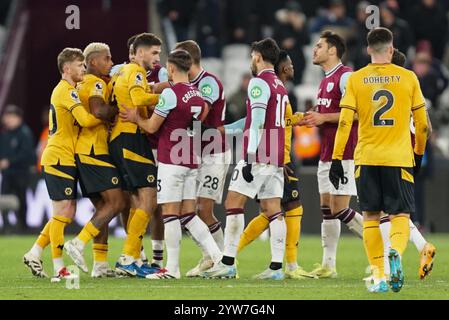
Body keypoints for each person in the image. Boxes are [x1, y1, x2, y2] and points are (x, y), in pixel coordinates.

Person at [330, 27, 428, 293]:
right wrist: (418, 154)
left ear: (367, 49)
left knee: (371, 218)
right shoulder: (409, 78)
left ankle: (379, 276)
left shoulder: (356, 79)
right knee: (400, 215)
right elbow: (422, 126)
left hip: (366, 157)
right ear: (392, 47)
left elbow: (345, 123)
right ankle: (395, 250)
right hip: (398, 157)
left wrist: (337, 158)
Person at [120, 49, 222, 279]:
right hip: (190, 159)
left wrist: (137, 118)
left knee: (169, 213)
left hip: (170, 160)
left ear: (172, 69)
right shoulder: (198, 95)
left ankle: (172, 269)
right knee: (188, 214)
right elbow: (199, 119)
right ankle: (219, 258)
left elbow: (152, 127)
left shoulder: (171, 94)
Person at [202, 38, 287, 280]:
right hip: (275, 153)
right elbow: (252, 121)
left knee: (233, 202)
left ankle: (228, 263)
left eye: (252, 56)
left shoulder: (258, 82)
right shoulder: (279, 84)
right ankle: (276, 268)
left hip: (259, 153)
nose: (251, 60)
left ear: (258, 56)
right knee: (272, 208)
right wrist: (223, 130)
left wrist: (249, 158)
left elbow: (258, 122)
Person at [23, 48, 105, 281]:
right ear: (67, 68)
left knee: (68, 211)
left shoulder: (69, 91)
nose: (84, 68)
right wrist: (111, 112)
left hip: (64, 157)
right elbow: (87, 120)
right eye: (80, 65)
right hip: (58, 157)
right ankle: (59, 267)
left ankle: (35, 252)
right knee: (61, 213)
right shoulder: (66, 91)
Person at [234, 50, 315, 279]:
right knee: (284, 209)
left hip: (278, 157)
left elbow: (282, 120)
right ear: (281, 67)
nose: (292, 67)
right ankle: (288, 266)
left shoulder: (279, 90)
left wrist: (300, 118)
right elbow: (262, 121)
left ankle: (232, 255)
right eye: (289, 63)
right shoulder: (274, 87)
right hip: (279, 158)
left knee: (271, 211)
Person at [63, 42, 125, 278]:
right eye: (107, 59)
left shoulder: (82, 84)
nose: (110, 63)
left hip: (82, 151)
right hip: (93, 150)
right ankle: (78, 243)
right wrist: (116, 109)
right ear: (93, 62)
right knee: (117, 202)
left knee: (103, 207)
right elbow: (99, 111)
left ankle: (99, 266)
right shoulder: (96, 82)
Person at [306, 30, 363, 279]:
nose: (314, 49)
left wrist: (323, 117)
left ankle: (383, 250)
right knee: (327, 209)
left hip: (345, 151)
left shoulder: (346, 76)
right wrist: (308, 117)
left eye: (319, 46)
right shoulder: (324, 80)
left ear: (332, 50)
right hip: (327, 152)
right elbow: (327, 114)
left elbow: (359, 113)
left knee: (340, 208)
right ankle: (328, 265)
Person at [173, 40, 230, 277]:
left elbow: (200, 114)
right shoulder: (188, 83)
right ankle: (211, 257)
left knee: (202, 209)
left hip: (214, 153)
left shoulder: (208, 82)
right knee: (189, 210)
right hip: (197, 153)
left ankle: (225, 262)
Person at [108, 33, 160, 277]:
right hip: (131, 137)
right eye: (154, 52)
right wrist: (169, 96)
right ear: (140, 52)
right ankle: (127, 258)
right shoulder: (135, 71)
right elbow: (139, 98)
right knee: (149, 199)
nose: (157, 58)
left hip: (121, 138)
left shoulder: (121, 73)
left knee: (138, 201)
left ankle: (136, 259)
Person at [0, 105, 35, 233]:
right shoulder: (5, 134)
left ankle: (23, 226)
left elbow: (27, 154)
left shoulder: (24, 133)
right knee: (3, 199)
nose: (7, 119)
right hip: (7, 174)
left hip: (20, 173)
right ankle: (6, 226)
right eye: (6, 117)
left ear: (18, 118)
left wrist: (9, 162)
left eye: (10, 117)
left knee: (21, 200)